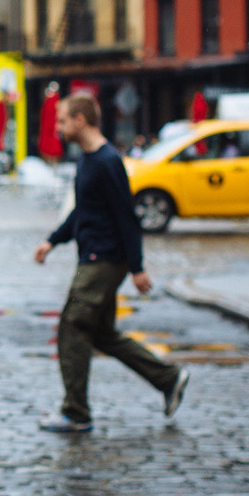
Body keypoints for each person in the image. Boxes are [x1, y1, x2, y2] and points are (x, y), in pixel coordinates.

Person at [33, 92, 189, 433]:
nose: (57, 128)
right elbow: (82, 212)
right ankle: (169, 378)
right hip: (93, 256)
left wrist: (137, 267)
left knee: (72, 326)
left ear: (80, 120)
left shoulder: (107, 161)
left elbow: (126, 216)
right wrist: (52, 240)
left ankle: (75, 413)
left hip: (104, 260)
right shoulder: (87, 160)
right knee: (101, 334)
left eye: (62, 121)